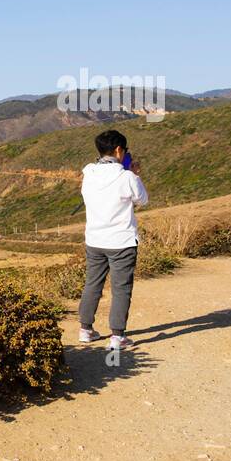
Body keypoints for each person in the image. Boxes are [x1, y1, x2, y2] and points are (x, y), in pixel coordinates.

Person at [77, 129, 148, 351]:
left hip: (95, 239)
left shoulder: (88, 172)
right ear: (119, 150)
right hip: (121, 241)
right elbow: (142, 200)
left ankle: (85, 330)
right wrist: (135, 174)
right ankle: (117, 336)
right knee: (121, 288)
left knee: (92, 284)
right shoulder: (127, 177)